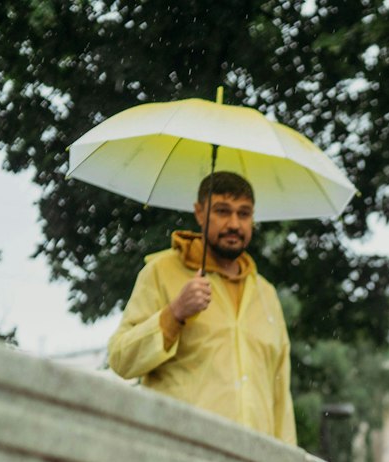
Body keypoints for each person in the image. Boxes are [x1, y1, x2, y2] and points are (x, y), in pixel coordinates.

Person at [107, 171, 296, 444]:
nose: (234, 223)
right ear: (199, 212)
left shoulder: (266, 294)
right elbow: (121, 360)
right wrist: (174, 313)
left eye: (244, 214)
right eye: (222, 211)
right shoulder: (160, 272)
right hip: (181, 457)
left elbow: (280, 395)